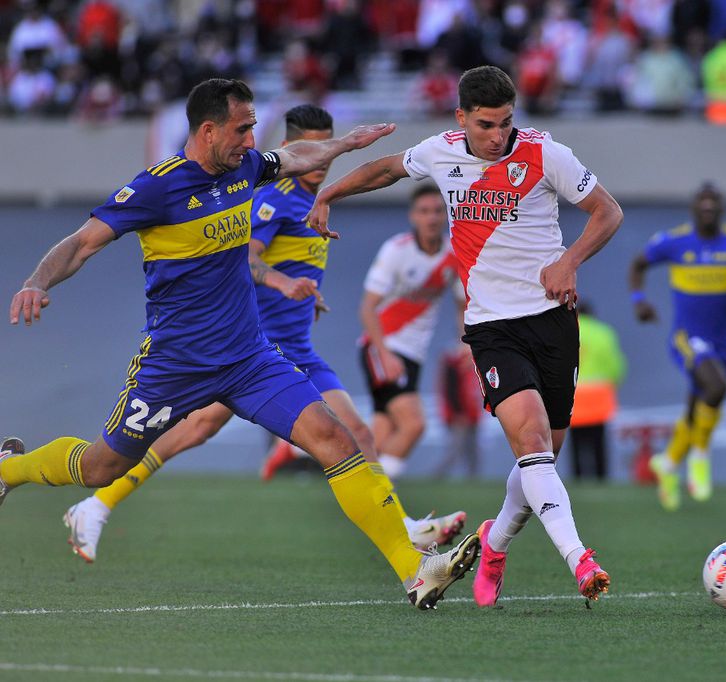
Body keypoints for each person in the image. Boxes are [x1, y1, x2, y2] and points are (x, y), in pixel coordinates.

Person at [2, 79, 479, 611]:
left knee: (336, 439)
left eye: (254, 128)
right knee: (100, 467)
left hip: (250, 358)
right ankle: (7, 469)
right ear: (208, 131)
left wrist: (344, 144)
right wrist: (36, 282)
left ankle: (415, 571)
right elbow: (81, 242)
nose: (252, 139)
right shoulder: (156, 188)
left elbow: (295, 154)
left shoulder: (245, 168)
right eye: (243, 128)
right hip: (174, 364)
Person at [306, 65, 624, 606]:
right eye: (485, 125)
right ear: (461, 119)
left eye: (505, 123)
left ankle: (493, 542)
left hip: (551, 322)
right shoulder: (441, 150)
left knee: (542, 457)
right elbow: (386, 169)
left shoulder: (547, 154)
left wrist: (569, 262)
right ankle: (581, 559)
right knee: (531, 443)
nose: (497, 136)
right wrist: (328, 193)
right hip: (491, 328)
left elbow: (607, 212)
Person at [629, 181, 726, 510]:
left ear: (722, 208)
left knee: (700, 402)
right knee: (717, 387)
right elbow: (638, 264)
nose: (708, 206)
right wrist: (639, 301)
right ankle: (700, 455)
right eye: (702, 201)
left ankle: (667, 463)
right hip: (687, 336)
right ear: (693, 208)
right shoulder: (675, 241)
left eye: (714, 201)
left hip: (725, 341)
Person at [357, 184, 464, 480]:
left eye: (437, 211)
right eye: (424, 211)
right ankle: (379, 496)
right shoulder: (397, 250)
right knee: (414, 424)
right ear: (413, 216)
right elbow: (367, 308)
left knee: (382, 430)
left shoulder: (454, 254)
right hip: (384, 346)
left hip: (414, 353)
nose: (431, 218)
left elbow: (462, 304)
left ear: (446, 215)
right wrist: (385, 353)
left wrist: (464, 342)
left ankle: (354, 487)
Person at [568, 300, 627, 480]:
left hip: (572, 396)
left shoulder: (566, 332)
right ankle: (601, 478)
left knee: (576, 443)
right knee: (598, 442)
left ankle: (578, 478)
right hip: (598, 396)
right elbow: (616, 367)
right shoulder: (604, 333)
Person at [434, 343, 483, 478]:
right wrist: (458, 412)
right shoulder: (453, 360)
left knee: (473, 450)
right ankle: (437, 476)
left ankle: (474, 480)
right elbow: (451, 390)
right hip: (459, 415)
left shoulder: (473, 358)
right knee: (455, 449)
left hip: (472, 413)